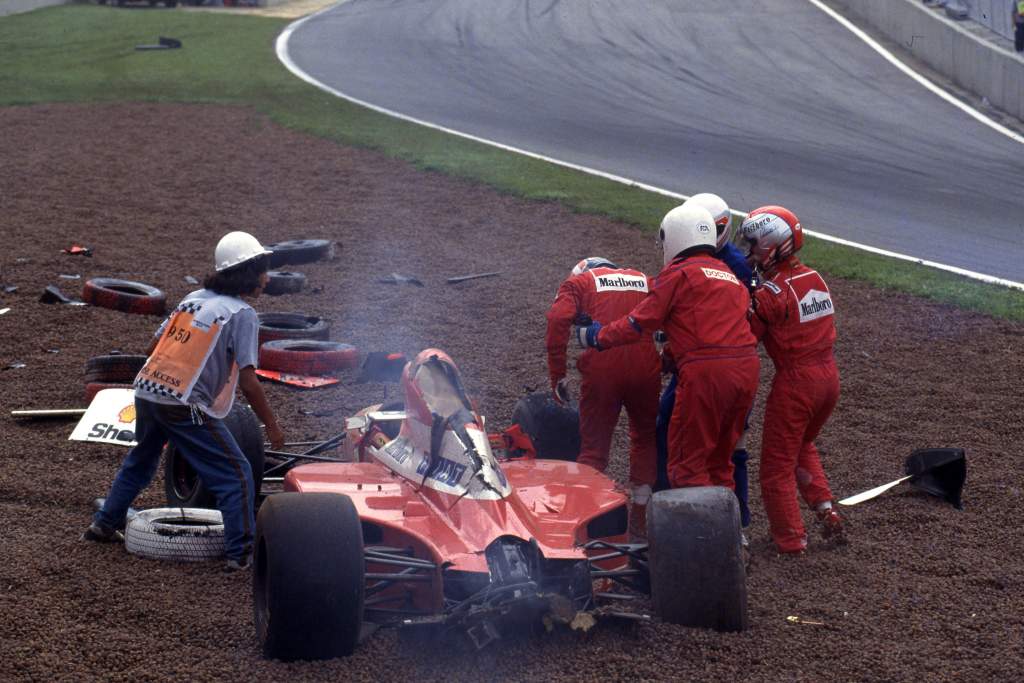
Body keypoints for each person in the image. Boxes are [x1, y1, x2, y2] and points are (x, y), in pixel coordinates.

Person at [83, 231, 285, 571]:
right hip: (183, 403)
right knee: (236, 474)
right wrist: (273, 426)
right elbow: (249, 382)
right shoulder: (242, 314)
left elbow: (152, 349)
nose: (266, 279)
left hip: (148, 390)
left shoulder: (193, 299)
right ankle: (240, 554)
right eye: (262, 270)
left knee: (140, 461)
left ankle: (105, 523)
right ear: (246, 272)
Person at [575, 204, 760, 497]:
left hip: (707, 373)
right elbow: (711, 327)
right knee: (720, 462)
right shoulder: (728, 275)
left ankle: (695, 539)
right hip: (746, 370)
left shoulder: (678, 274)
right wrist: (671, 358)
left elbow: (638, 323)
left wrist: (596, 336)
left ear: (674, 236)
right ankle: (728, 534)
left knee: (687, 466)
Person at [738, 206, 844, 554]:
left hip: (796, 382)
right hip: (829, 378)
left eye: (753, 244)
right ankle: (826, 510)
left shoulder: (770, 294)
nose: (750, 251)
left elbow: (745, 337)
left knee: (775, 467)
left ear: (772, 245)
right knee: (802, 446)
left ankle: (791, 539)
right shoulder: (816, 277)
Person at [654, 193, 755, 527]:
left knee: (725, 447)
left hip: (715, 363)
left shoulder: (734, 266)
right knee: (681, 427)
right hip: (726, 362)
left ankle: (728, 520)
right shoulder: (710, 261)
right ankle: (719, 517)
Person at [546, 257, 661, 538]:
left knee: (593, 449)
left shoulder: (580, 282)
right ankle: (640, 517)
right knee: (645, 438)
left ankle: (585, 521)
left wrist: (557, 374)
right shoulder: (644, 278)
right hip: (646, 366)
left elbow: (557, 318)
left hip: (603, 365)